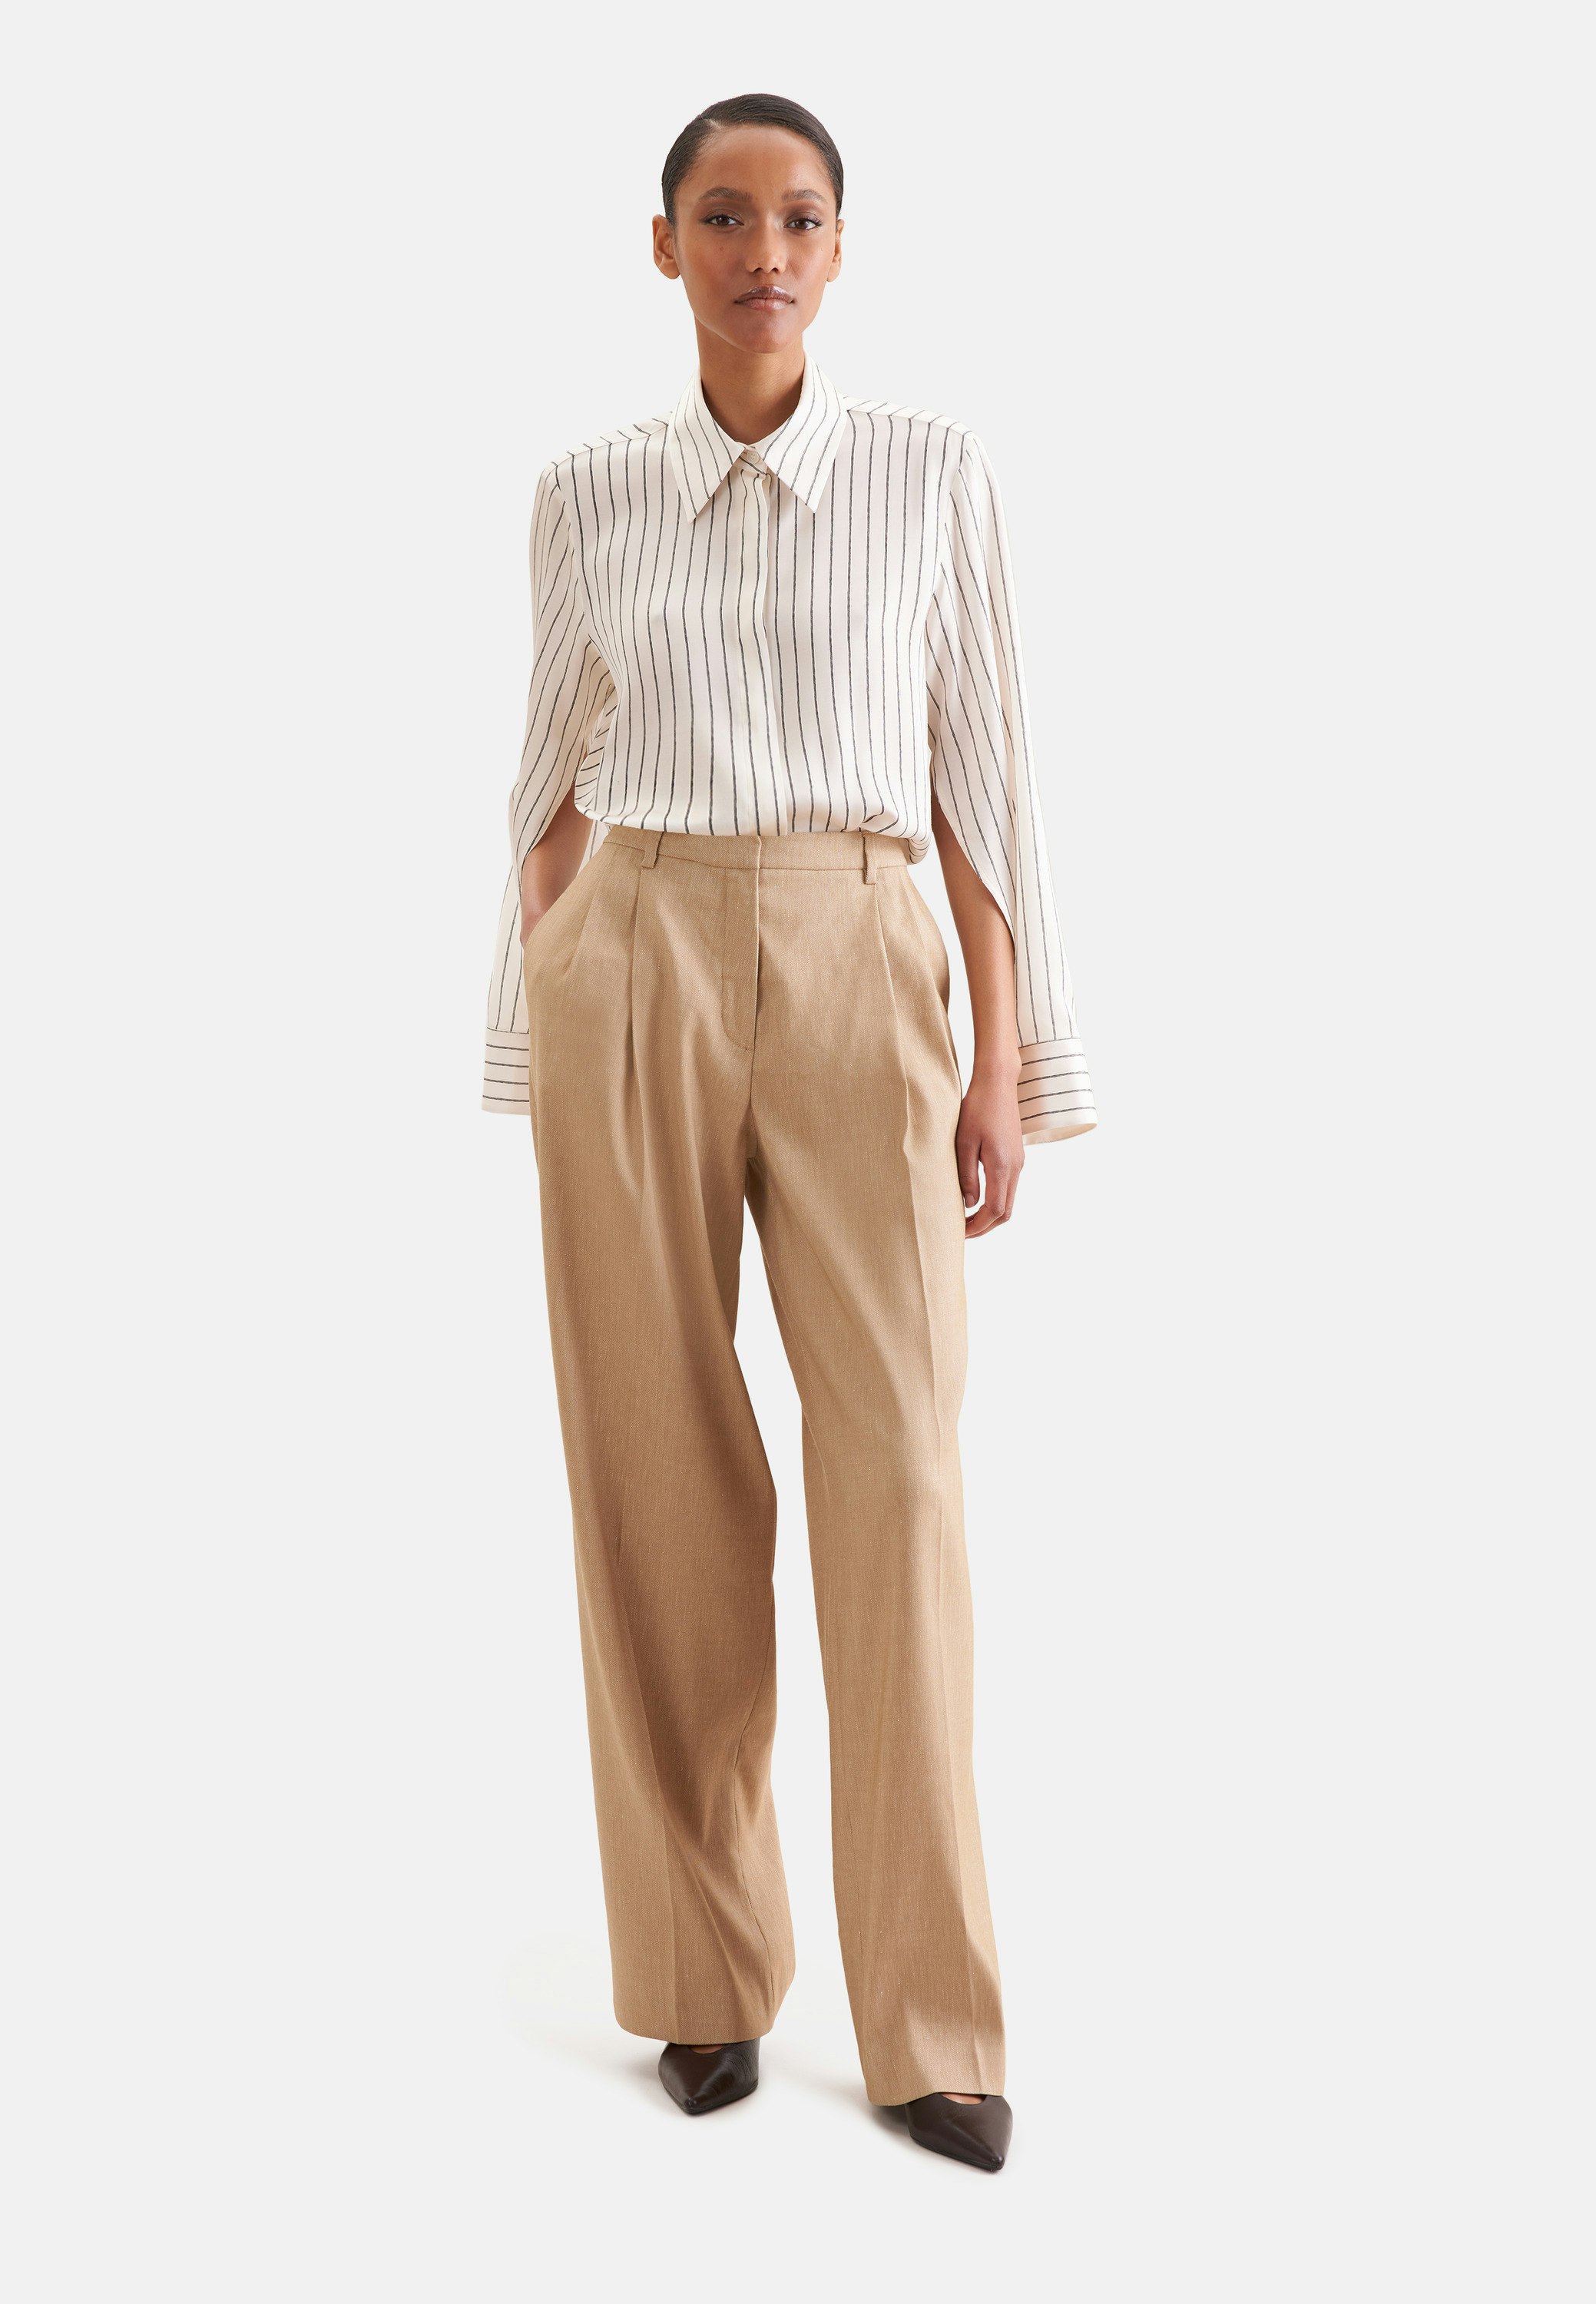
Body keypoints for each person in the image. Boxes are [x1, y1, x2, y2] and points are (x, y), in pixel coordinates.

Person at [482, 91, 1096, 2173]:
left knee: (898, 1469)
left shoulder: (931, 475)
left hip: (857, 942)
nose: (765, 250)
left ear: (841, 248)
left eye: (801, 216)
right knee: (651, 1470)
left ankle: (932, 2019)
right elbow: (545, 779)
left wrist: (1007, 1061)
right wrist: (547, 1010)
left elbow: (985, 778)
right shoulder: (584, 493)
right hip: (634, 948)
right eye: (726, 215)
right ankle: (702, 1975)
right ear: (665, 245)